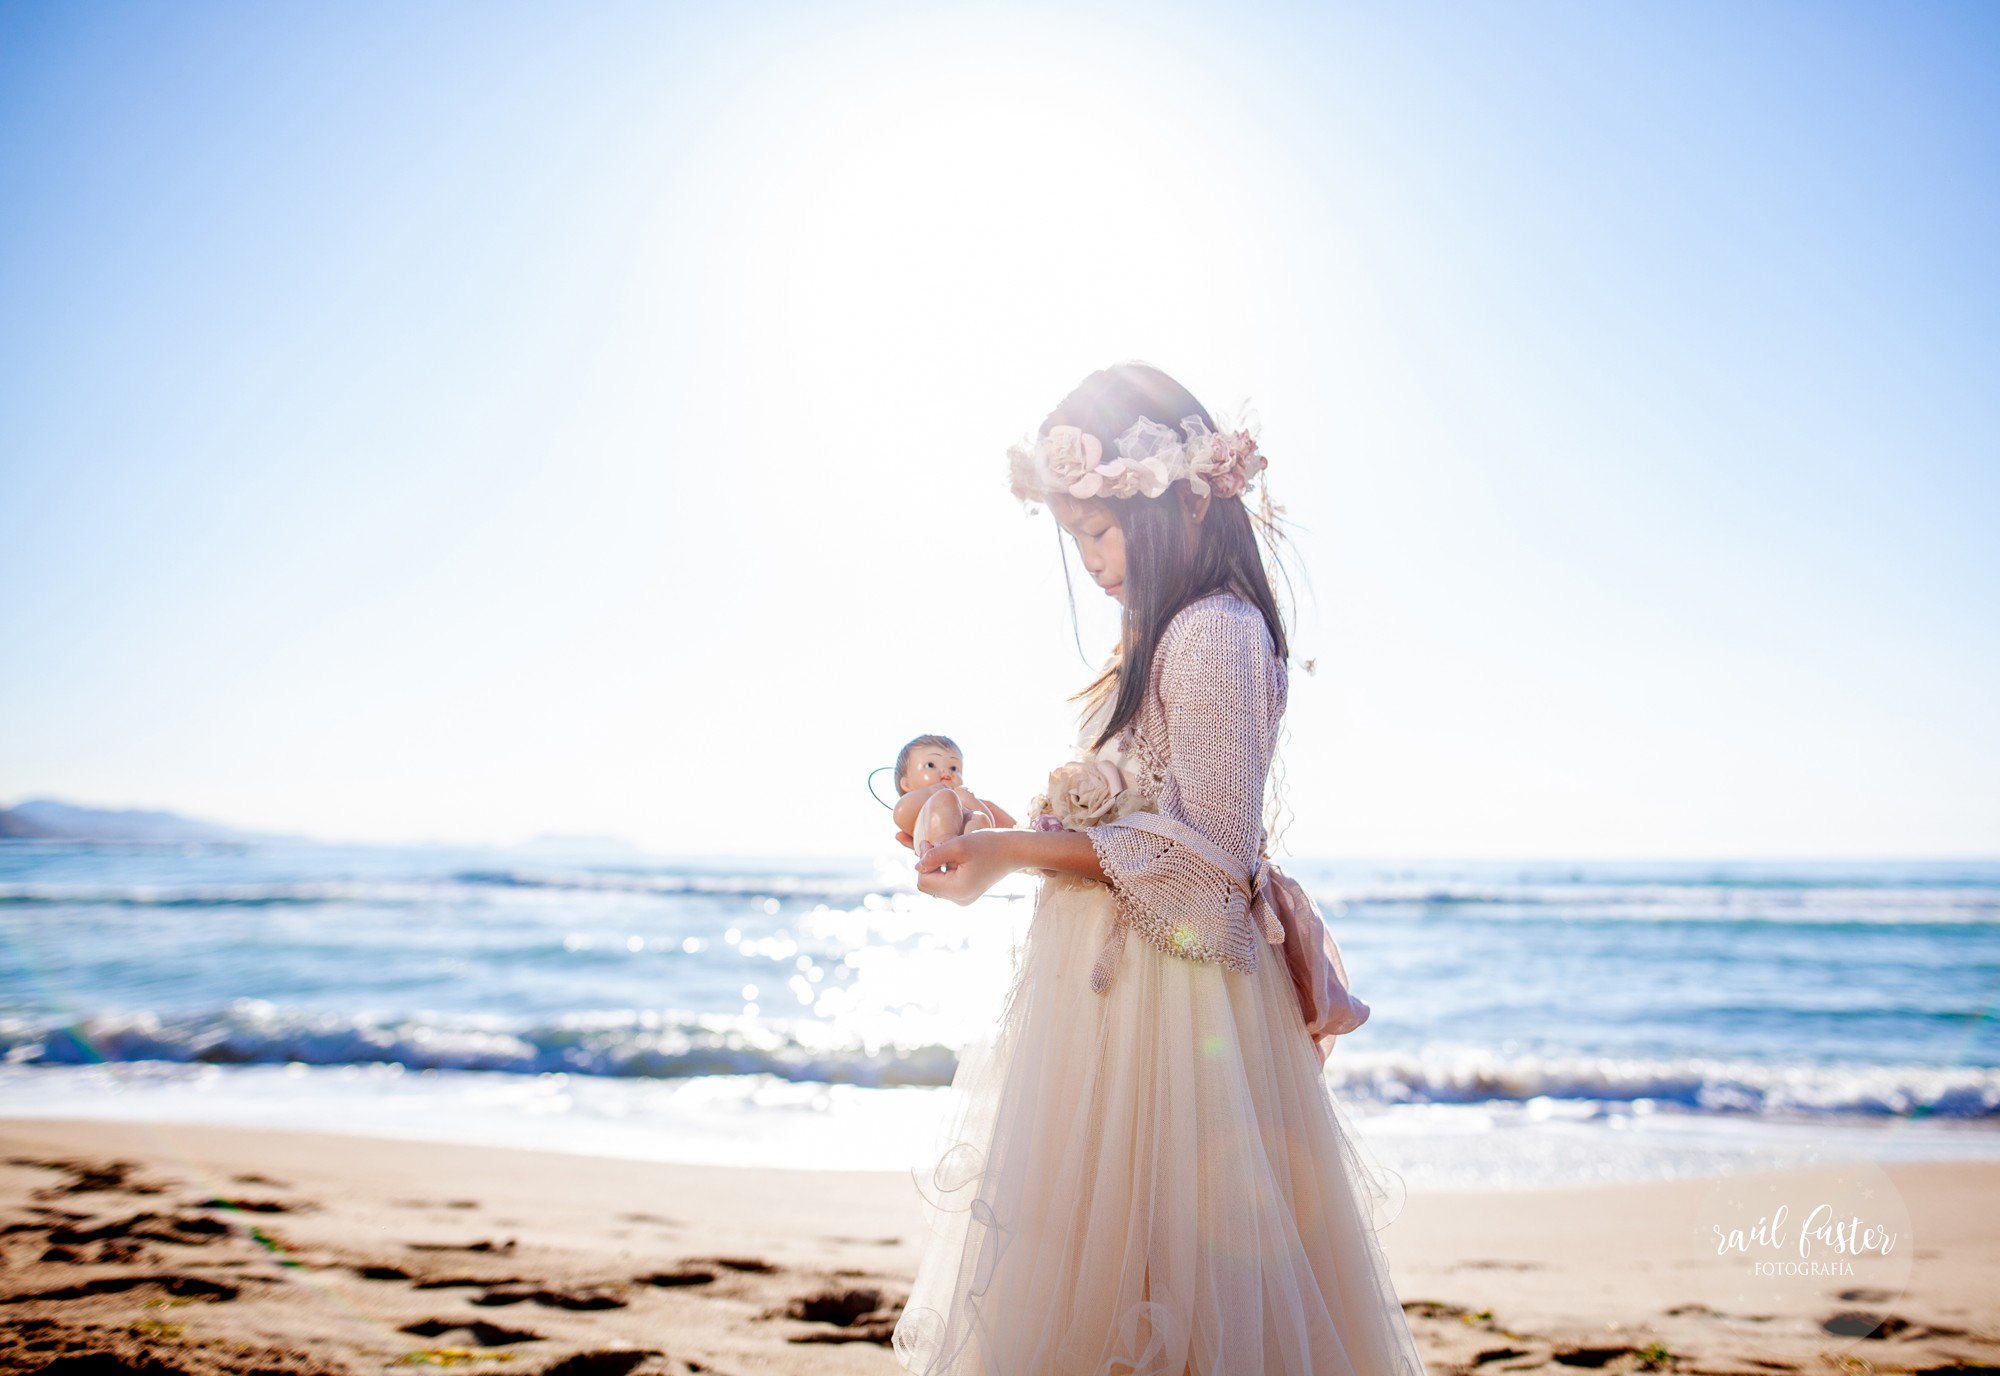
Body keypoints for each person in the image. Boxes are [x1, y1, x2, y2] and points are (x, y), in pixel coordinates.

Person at [891, 363, 1425, 1375]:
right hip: (1118, 1006)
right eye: (1074, 538)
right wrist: (1000, 829)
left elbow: (1211, 870)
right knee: (1098, 1270)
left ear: (1179, 497)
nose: (1090, 559)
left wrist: (1010, 853)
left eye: (1099, 529)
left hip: (1178, 1016)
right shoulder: (1159, 636)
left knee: (1172, 1274)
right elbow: (1136, 822)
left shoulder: (1215, 630)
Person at [891, 733, 1017, 859]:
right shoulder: (918, 806)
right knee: (945, 797)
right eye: (930, 765)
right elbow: (901, 813)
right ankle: (947, 842)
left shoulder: (961, 800)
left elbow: (990, 824)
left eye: (954, 768)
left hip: (970, 847)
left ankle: (971, 851)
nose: (947, 772)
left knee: (979, 817)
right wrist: (931, 792)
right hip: (932, 845)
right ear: (907, 784)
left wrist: (968, 799)